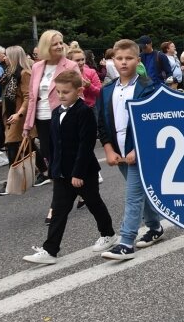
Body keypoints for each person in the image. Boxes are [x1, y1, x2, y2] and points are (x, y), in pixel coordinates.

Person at [22, 70, 117, 264]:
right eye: (58, 91)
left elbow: (85, 145)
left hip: (83, 171)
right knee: (58, 210)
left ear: (79, 91)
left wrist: (78, 172)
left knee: (94, 203)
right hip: (62, 173)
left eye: (66, 91)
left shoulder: (84, 112)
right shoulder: (56, 112)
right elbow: (55, 144)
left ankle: (108, 234)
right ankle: (50, 250)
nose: (61, 95)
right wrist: (54, 169)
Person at [97, 40, 164, 260]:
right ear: (113, 60)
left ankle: (126, 242)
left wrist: (139, 148)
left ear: (137, 59)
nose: (124, 62)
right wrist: (108, 149)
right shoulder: (107, 90)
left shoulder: (148, 86)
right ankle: (154, 226)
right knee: (140, 191)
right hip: (119, 151)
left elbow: (153, 123)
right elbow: (102, 123)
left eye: (129, 58)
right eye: (119, 58)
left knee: (133, 195)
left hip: (140, 152)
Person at [24, 30, 80, 201]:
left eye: (61, 42)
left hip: (63, 117)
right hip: (42, 119)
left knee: (64, 157)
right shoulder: (37, 67)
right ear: (46, 46)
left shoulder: (70, 65)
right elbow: (33, 97)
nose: (59, 46)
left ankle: (58, 201)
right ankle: (71, 191)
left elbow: (79, 93)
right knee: (50, 157)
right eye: (55, 43)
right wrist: (27, 125)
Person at [0, 46, 34, 196]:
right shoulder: (9, 74)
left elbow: (28, 96)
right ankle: (44, 171)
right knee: (26, 145)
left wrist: (19, 113)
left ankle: (11, 181)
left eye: (7, 55)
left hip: (19, 116)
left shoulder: (24, 74)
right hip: (11, 114)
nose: (4, 58)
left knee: (12, 144)